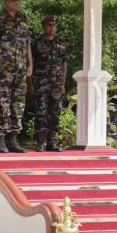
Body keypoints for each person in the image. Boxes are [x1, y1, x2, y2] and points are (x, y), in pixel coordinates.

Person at [0, 0, 32, 153]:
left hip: (20, 69)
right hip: (2, 68)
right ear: (6, 2)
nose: (16, 3)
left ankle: (13, 139)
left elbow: (27, 43)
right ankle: (1, 139)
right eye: (13, 0)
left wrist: (30, 64)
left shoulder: (23, 18)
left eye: (18, 0)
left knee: (18, 104)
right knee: (2, 103)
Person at [30, 15, 69, 152]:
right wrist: (30, 83)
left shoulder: (61, 43)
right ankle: (41, 142)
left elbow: (64, 64)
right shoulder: (36, 43)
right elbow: (31, 64)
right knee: (41, 112)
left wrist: (63, 84)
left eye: (54, 25)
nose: (52, 27)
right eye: (49, 25)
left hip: (56, 84)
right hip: (41, 83)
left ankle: (52, 142)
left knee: (55, 113)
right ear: (43, 27)